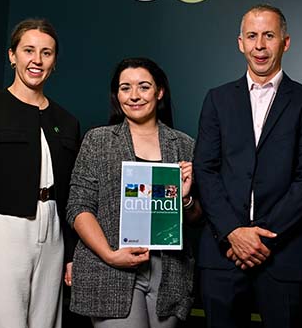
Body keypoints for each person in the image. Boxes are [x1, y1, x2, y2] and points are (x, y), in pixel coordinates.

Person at [193, 4, 302, 327]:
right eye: (252, 36)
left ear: (285, 42)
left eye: (269, 35)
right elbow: (205, 169)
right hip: (223, 254)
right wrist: (232, 232)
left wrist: (261, 239)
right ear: (240, 43)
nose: (260, 45)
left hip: (285, 256)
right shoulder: (217, 99)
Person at [0, 18, 80, 327]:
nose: (37, 60)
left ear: (54, 62)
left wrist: (71, 255)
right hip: (0, 230)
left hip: (53, 232)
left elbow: (72, 194)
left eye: (46, 53)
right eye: (28, 50)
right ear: (12, 55)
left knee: (45, 322)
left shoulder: (67, 121)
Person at [66, 57, 201, 327]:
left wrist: (185, 199)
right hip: (109, 267)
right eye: (125, 88)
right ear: (117, 95)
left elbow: (196, 217)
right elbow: (78, 206)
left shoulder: (184, 145)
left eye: (144, 87)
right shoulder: (98, 140)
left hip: (169, 272)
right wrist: (110, 254)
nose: (134, 96)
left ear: (159, 92)